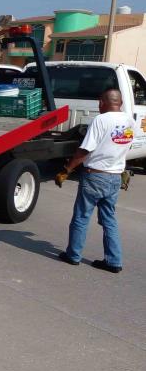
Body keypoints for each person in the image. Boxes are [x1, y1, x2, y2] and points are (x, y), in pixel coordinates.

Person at [56, 89, 134, 273]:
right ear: (120, 103)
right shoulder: (128, 120)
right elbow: (123, 147)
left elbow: (85, 150)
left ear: (101, 103)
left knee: (81, 217)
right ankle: (114, 262)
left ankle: (73, 255)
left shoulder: (101, 120)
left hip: (95, 176)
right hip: (115, 177)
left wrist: (67, 169)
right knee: (109, 220)